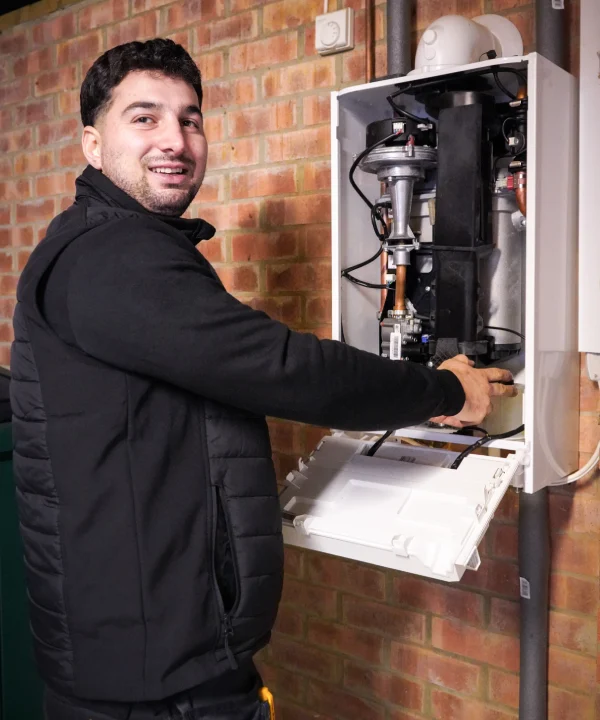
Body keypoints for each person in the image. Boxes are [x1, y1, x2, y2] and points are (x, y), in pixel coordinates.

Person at [10, 38, 516, 720]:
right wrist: (450, 391)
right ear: (93, 145)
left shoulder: (111, 246)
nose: (176, 139)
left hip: (147, 656)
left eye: (190, 118)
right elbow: (282, 369)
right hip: (156, 684)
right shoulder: (113, 256)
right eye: (145, 117)